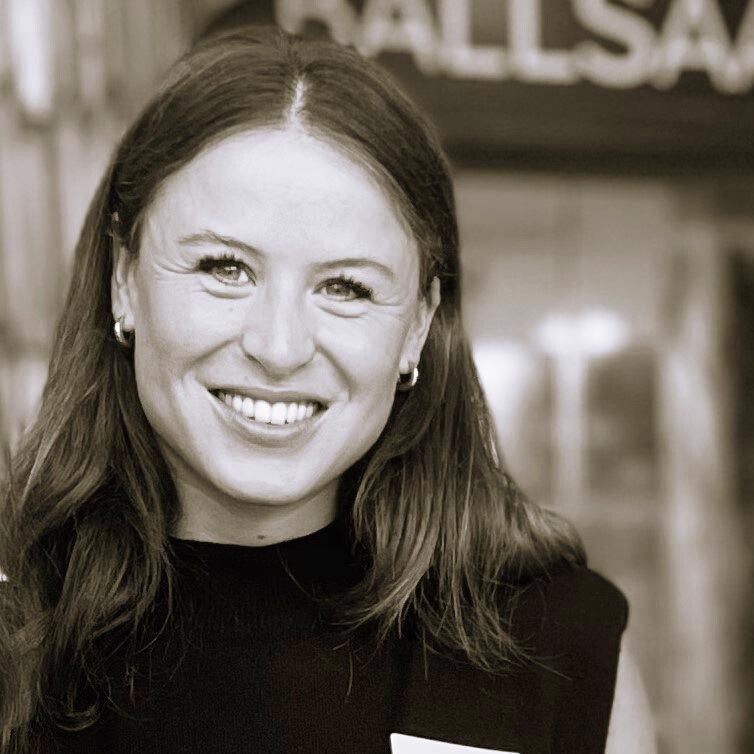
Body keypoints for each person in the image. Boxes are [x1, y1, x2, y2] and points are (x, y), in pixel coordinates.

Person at [0, 26, 655, 754]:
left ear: (417, 325)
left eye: (345, 287)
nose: (279, 348)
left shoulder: (553, 644)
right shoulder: (16, 625)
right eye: (224, 269)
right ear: (124, 280)